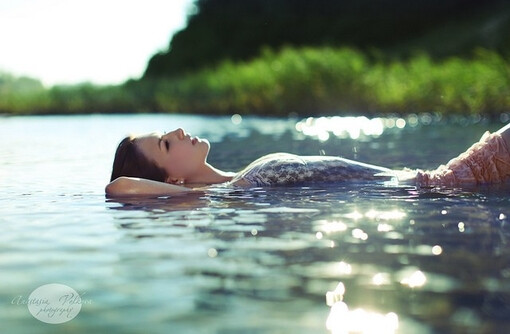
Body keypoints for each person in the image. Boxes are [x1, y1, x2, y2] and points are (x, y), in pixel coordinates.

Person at [105, 123, 510, 197]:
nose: (177, 133)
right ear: (170, 181)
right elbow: (119, 187)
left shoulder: (237, 181)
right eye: (165, 145)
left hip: (444, 179)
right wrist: (184, 198)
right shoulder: (230, 192)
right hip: (451, 182)